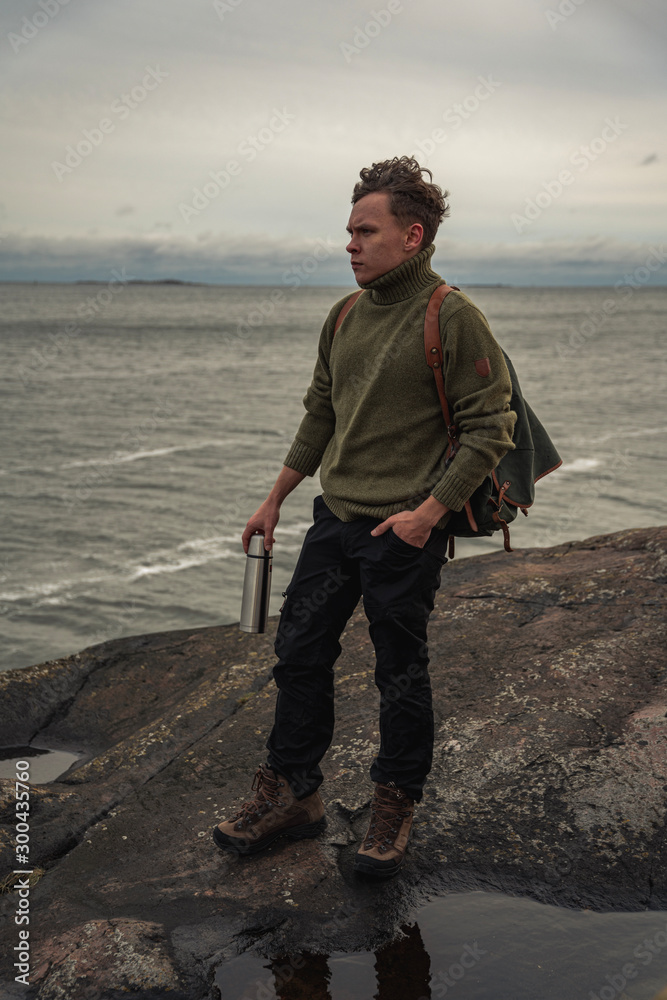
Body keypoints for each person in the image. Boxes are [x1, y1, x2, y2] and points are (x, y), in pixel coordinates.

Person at [213, 156, 516, 878]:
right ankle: (294, 795)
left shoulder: (453, 316)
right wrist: (274, 497)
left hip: (401, 531)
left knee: (399, 673)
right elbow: (321, 411)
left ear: (412, 236)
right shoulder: (345, 314)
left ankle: (393, 804)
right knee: (299, 655)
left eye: (364, 231)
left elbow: (490, 427)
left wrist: (426, 515)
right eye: (347, 231)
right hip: (335, 519)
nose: (349, 244)